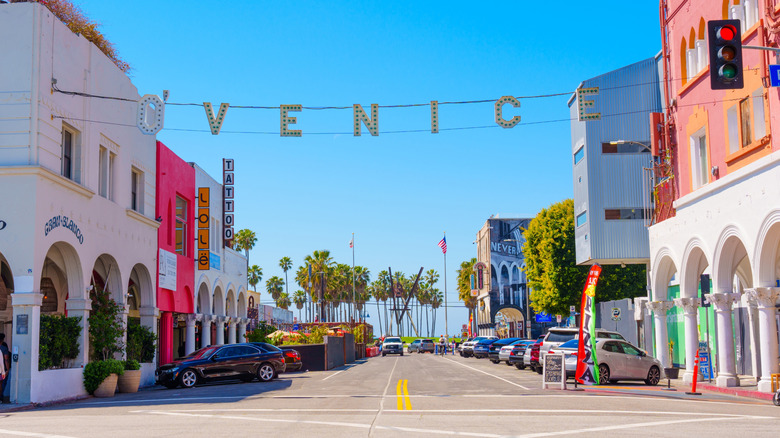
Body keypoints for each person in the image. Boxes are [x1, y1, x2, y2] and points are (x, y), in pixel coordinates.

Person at [0, 333, 9, 403]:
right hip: (1, 370)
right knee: (1, 384)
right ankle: (0, 397)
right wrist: (7, 370)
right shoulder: (4, 348)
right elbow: (5, 360)